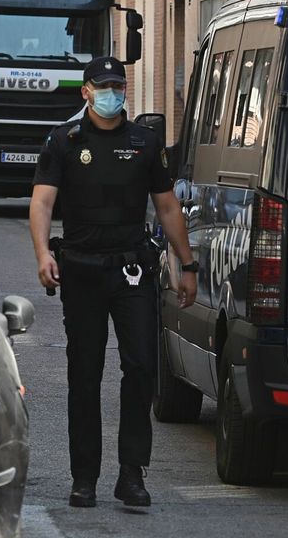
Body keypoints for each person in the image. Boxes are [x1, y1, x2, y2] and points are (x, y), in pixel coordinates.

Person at [29, 56, 198, 509]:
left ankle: (131, 474)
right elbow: (43, 202)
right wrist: (44, 253)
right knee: (84, 375)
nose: (112, 93)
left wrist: (187, 263)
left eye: (118, 85)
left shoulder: (144, 142)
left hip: (132, 271)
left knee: (141, 367)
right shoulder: (65, 141)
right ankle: (84, 477)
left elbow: (166, 207)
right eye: (103, 86)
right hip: (82, 271)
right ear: (85, 91)